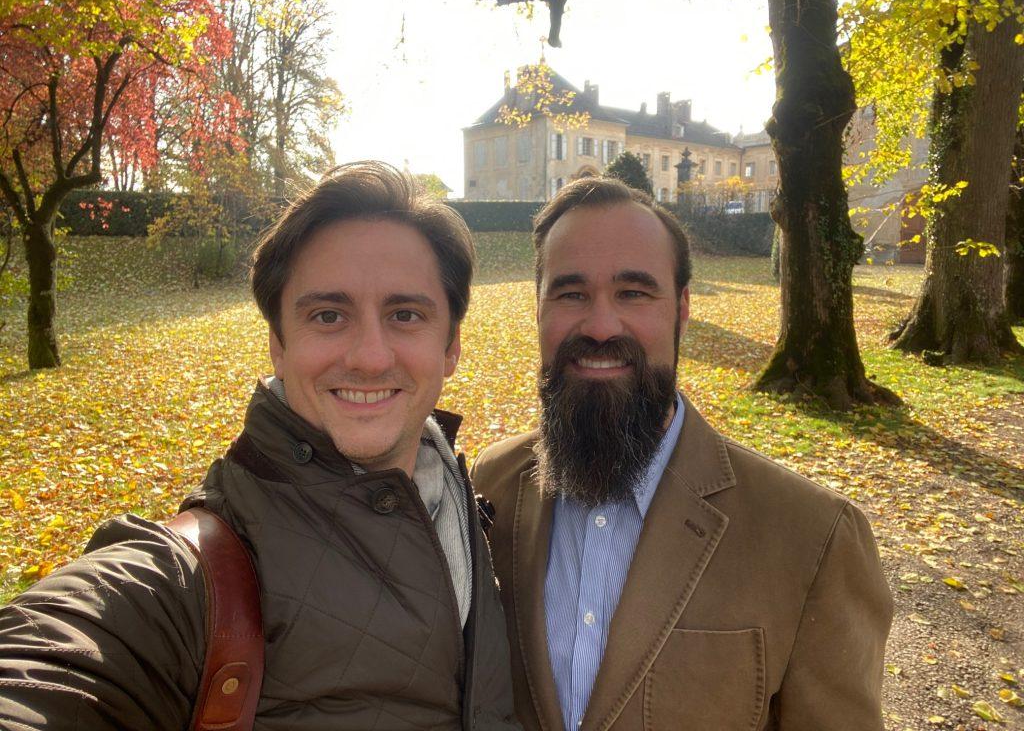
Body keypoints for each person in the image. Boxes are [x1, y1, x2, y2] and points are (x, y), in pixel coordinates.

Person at [0, 161, 520, 731]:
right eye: (328, 315)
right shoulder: (193, 571)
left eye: (405, 314)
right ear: (278, 345)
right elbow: (51, 657)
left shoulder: (465, 508)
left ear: (450, 348)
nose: (370, 356)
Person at [470, 177, 893, 731]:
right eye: (570, 293)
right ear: (539, 307)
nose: (600, 325)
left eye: (634, 293)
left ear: (683, 308)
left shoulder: (813, 538)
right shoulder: (492, 484)